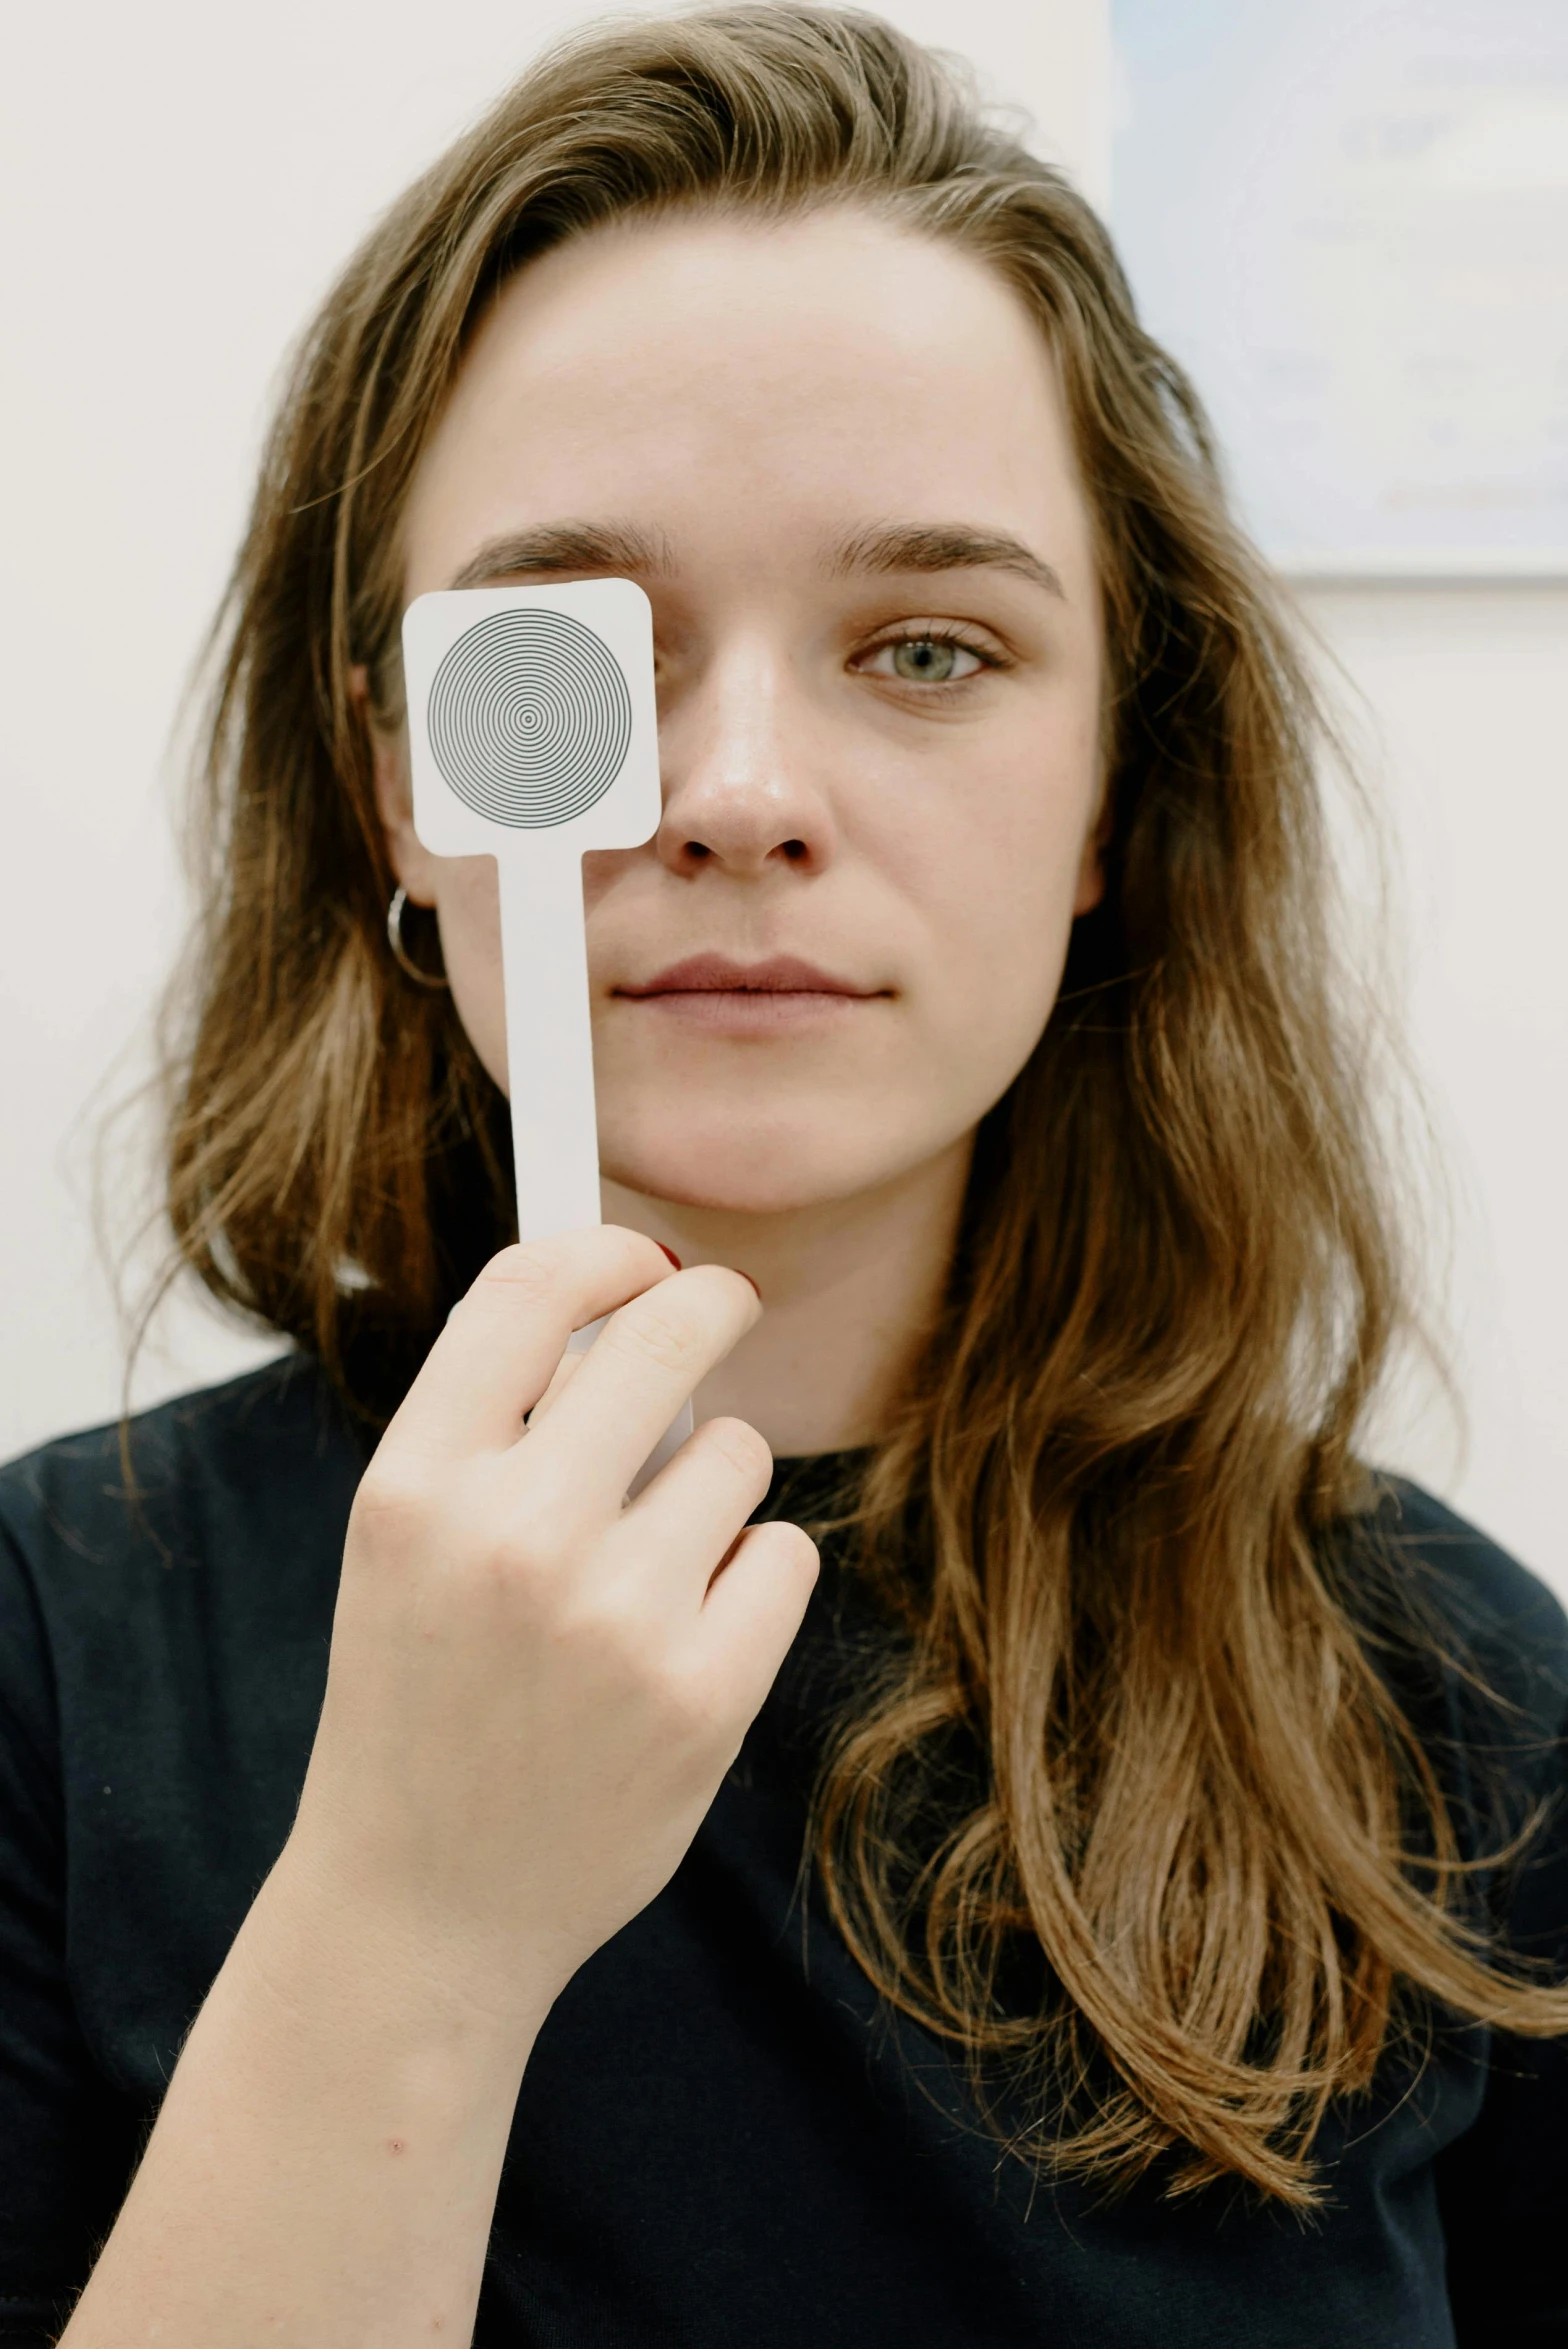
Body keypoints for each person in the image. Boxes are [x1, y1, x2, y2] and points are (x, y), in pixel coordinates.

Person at [1, 8, 1563, 2344]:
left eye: (926, 647)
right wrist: (412, 1922)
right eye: (577, 662)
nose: (737, 789)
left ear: (1117, 795)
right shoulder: (51, 1652)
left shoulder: (1460, 1713)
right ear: (402, 783)